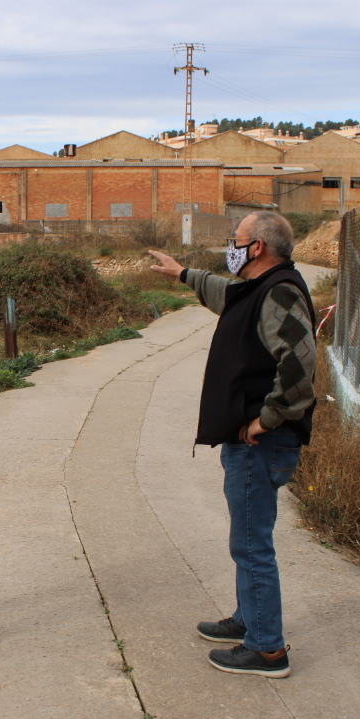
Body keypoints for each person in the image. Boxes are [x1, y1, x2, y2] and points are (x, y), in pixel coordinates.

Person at [148, 211, 317, 678]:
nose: (232, 246)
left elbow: (300, 365)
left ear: (257, 247)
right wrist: (182, 273)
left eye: (236, 240)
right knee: (245, 539)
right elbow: (225, 293)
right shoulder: (258, 289)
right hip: (252, 444)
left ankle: (267, 649)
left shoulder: (280, 292)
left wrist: (267, 419)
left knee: (251, 544)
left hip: (262, 444)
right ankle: (250, 618)